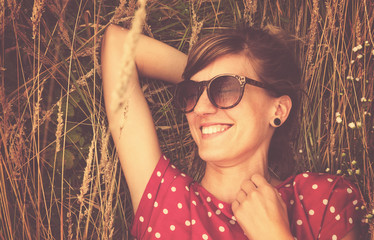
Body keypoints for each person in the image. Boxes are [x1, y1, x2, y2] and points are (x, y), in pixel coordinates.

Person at [101, 23, 364, 240]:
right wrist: (201, 76)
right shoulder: (165, 197)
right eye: (191, 94)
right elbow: (119, 45)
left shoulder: (324, 200)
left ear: (279, 110)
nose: (200, 108)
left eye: (225, 88)